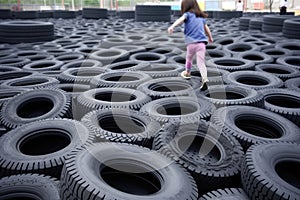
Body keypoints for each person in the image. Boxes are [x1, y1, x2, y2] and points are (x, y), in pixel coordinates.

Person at [167, 0, 213, 91]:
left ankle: (187, 72)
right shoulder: (201, 17)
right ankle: (204, 78)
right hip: (202, 43)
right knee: (201, 62)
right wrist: (210, 37)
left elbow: (180, 20)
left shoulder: (187, 14)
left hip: (191, 43)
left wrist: (172, 26)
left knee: (189, 58)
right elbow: (206, 28)